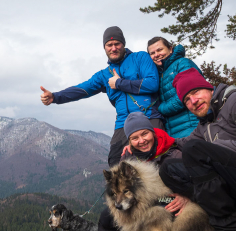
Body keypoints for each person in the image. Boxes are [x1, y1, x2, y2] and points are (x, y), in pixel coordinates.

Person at [159, 67, 236, 231]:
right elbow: (183, 145)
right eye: (187, 100)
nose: (193, 102)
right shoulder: (206, 122)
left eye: (195, 92)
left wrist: (217, 147)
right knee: (168, 168)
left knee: (196, 150)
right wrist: (156, 141)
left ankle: (231, 228)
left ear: (209, 88)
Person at [40, 26, 164, 167]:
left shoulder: (140, 58)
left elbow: (152, 83)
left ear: (123, 44)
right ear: (104, 48)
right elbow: (83, 89)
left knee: (156, 162)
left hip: (149, 116)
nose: (113, 48)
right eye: (109, 45)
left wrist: (119, 83)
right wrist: (55, 97)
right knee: (115, 165)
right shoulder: (104, 74)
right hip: (123, 123)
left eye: (117, 44)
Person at [84, 111, 189, 231]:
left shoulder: (172, 151)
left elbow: (193, 180)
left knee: (153, 214)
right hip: (142, 198)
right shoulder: (128, 156)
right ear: (129, 141)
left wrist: (187, 196)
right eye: (134, 138)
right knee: (107, 216)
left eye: (144, 134)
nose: (141, 141)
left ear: (152, 132)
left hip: (170, 198)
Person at [147, 37, 202, 138]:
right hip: (173, 133)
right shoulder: (158, 75)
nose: (157, 55)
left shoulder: (182, 64)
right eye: (152, 53)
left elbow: (189, 94)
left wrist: (160, 109)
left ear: (170, 49)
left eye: (160, 50)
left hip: (192, 127)